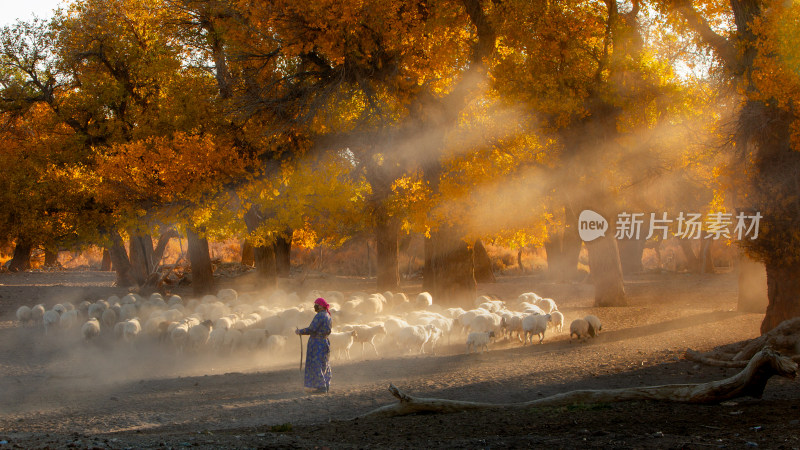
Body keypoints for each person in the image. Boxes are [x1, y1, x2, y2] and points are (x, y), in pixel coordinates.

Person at [295, 297, 332, 394]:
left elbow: (312, 329)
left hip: (317, 343)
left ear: (321, 306)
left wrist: (300, 331)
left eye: (317, 304)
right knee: (324, 363)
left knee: (316, 364)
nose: (315, 306)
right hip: (324, 342)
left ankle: (320, 387)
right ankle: (326, 385)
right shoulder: (328, 315)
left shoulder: (320, 316)